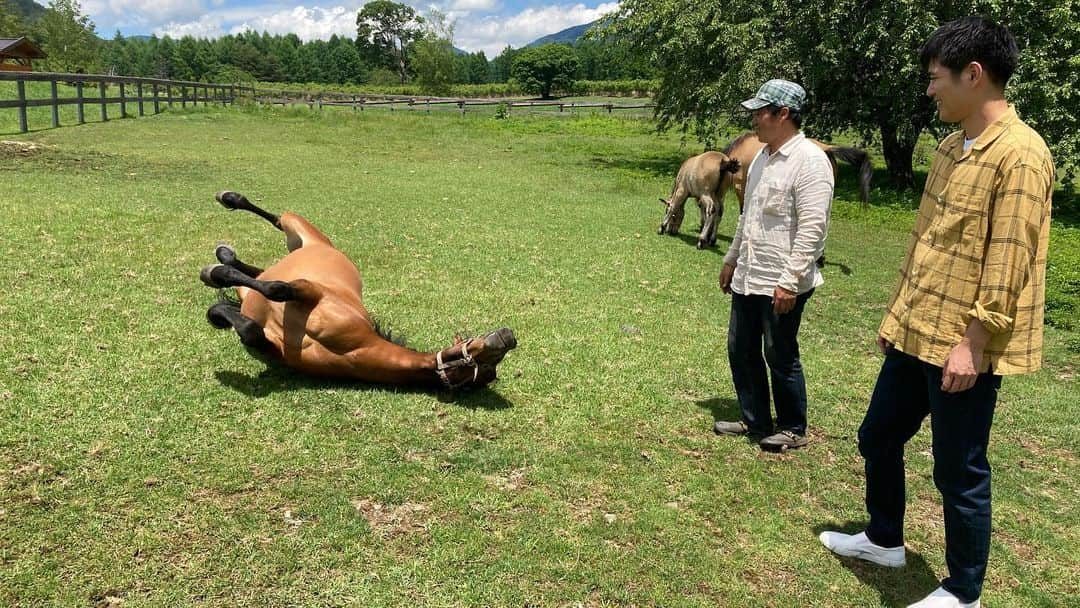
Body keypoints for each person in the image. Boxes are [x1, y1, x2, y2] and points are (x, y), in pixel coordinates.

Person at [818, 17, 1054, 608]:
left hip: (963, 344)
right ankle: (883, 538)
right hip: (916, 331)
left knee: (959, 469)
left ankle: (964, 591)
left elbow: (1009, 260)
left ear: (974, 76)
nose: (929, 90)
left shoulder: (1021, 157)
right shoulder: (953, 146)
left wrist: (973, 344)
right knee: (877, 436)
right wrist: (896, 318)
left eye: (936, 78)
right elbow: (925, 241)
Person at [714, 79, 835, 451]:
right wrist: (732, 258)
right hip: (751, 273)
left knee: (779, 353)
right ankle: (755, 420)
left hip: (781, 279)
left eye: (760, 112)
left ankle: (793, 427)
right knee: (741, 348)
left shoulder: (810, 161)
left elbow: (814, 228)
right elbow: (748, 216)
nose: (754, 120)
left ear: (783, 114)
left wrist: (789, 281)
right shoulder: (762, 159)